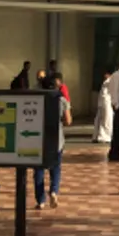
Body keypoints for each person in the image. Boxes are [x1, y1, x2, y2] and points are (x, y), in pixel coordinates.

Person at [35, 73, 72, 210]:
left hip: (37, 138)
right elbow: (68, 120)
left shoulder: (36, 99)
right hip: (56, 139)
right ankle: (54, 191)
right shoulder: (61, 99)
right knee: (55, 167)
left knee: (38, 170)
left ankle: (40, 200)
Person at [93, 69, 113, 143]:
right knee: (103, 119)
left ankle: (101, 136)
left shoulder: (109, 81)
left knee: (105, 120)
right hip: (104, 103)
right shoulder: (107, 82)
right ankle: (101, 136)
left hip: (106, 102)